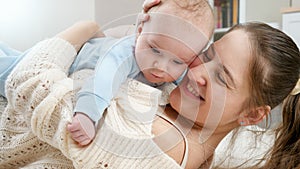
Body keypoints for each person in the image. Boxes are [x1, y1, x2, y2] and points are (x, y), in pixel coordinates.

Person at [1, 1, 300, 169]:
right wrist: (155, 27)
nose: (197, 73)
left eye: (222, 77)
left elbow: (27, 82)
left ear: (252, 116)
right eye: (206, 54)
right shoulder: (186, 114)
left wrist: (85, 28)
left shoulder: (153, 141)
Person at [67, 0, 214, 146]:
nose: (161, 66)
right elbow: (103, 81)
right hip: (80, 56)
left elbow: (186, 87)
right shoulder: (122, 54)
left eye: (177, 62)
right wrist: (87, 115)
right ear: (139, 32)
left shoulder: (180, 65)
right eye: (155, 50)